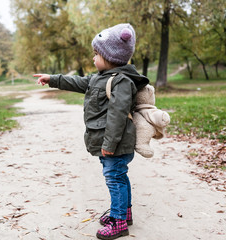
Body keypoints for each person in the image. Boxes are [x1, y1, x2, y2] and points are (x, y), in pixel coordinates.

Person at [33, 23, 149, 240]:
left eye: (96, 54)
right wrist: (52, 78)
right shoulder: (99, 77)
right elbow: (77, 82)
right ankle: (124, 213)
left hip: (115, 143)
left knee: (114, 178)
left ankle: (119, 221)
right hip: (110, 143)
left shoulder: (121, 81)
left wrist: (109, 145)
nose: (93, 58)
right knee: (118, 177)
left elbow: (117, 116)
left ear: (111, 56)